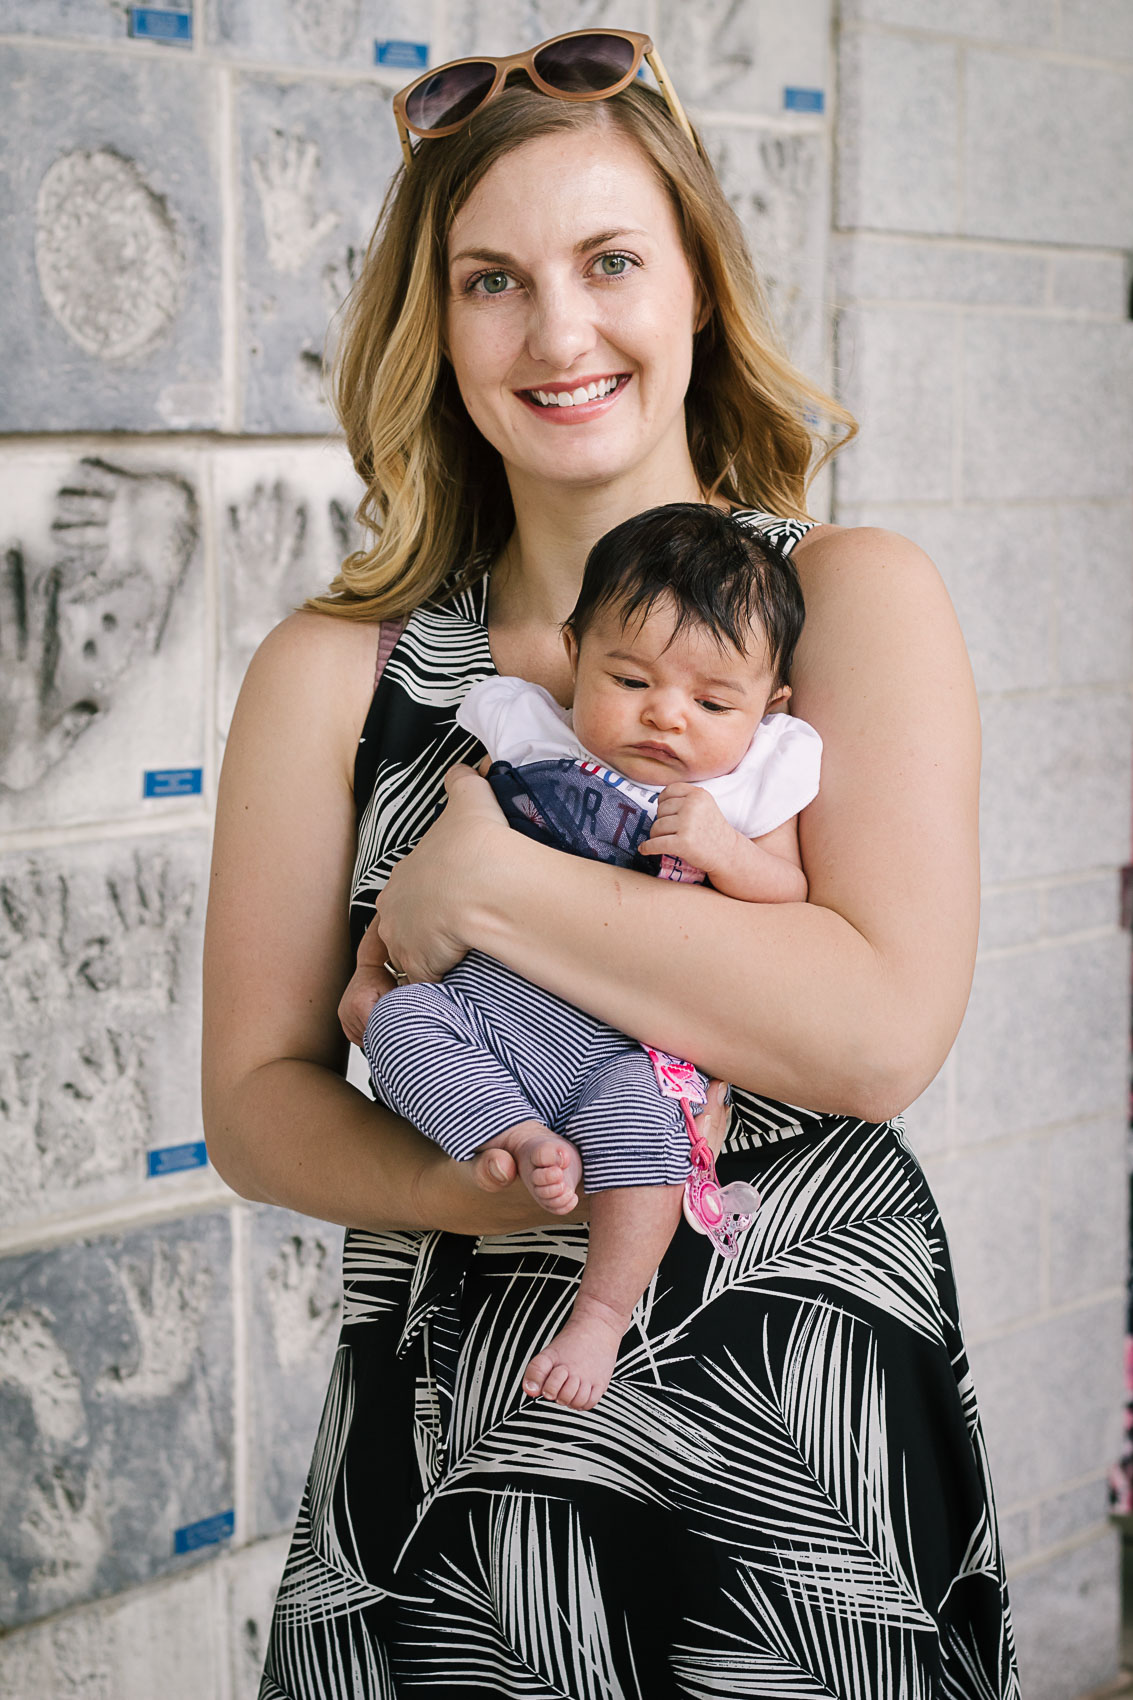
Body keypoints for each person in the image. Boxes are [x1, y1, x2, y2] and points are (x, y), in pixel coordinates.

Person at [202, 27, 1020, 1696]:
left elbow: (871, 1031)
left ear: (698, 287)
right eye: (490, 280)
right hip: (460, 1476)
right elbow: (256, 1097)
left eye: (607, 262)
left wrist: (490, 892)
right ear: (435, 326)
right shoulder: (335, 673)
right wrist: (464, 1186)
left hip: (805, 1465)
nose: (557, 331)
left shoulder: (851, 603)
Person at [343, 503, 821, 1413]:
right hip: (489, 1008)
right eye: (628, 678)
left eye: (713, 702)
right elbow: (436, 871)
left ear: (768, 710)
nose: (665, 717)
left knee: (645, 1136)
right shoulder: (530, 737)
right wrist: (380, 960)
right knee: (395, 1021)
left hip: (624, 1052)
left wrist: (727, 854)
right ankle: (511, 1134)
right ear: (571, 653)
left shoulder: (750, 785)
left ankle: (600, 1313)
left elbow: (789, 895)